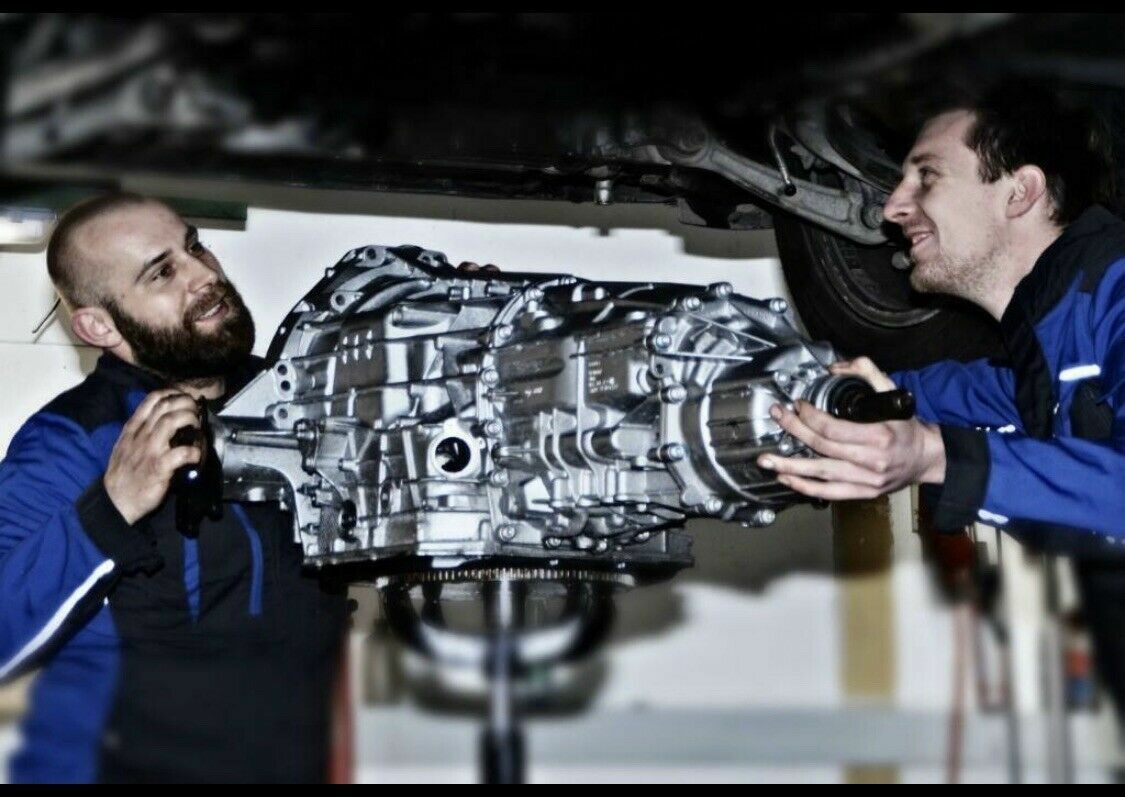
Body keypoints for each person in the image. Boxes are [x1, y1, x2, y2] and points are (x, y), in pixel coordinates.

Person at [756, 86, 1125, 712]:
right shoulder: (1047, 344)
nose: (891, 207)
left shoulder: (1111, 295)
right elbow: (951, 395)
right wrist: (813, 396)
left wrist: (935, 457)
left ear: (1020, 191)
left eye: (926, 176)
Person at [0, 193, 349, 782]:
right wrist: (111, 509)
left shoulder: (300, 405)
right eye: (162, 273)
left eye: (195, 248)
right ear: (98, 325)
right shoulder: (73, 440)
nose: (205, 275)